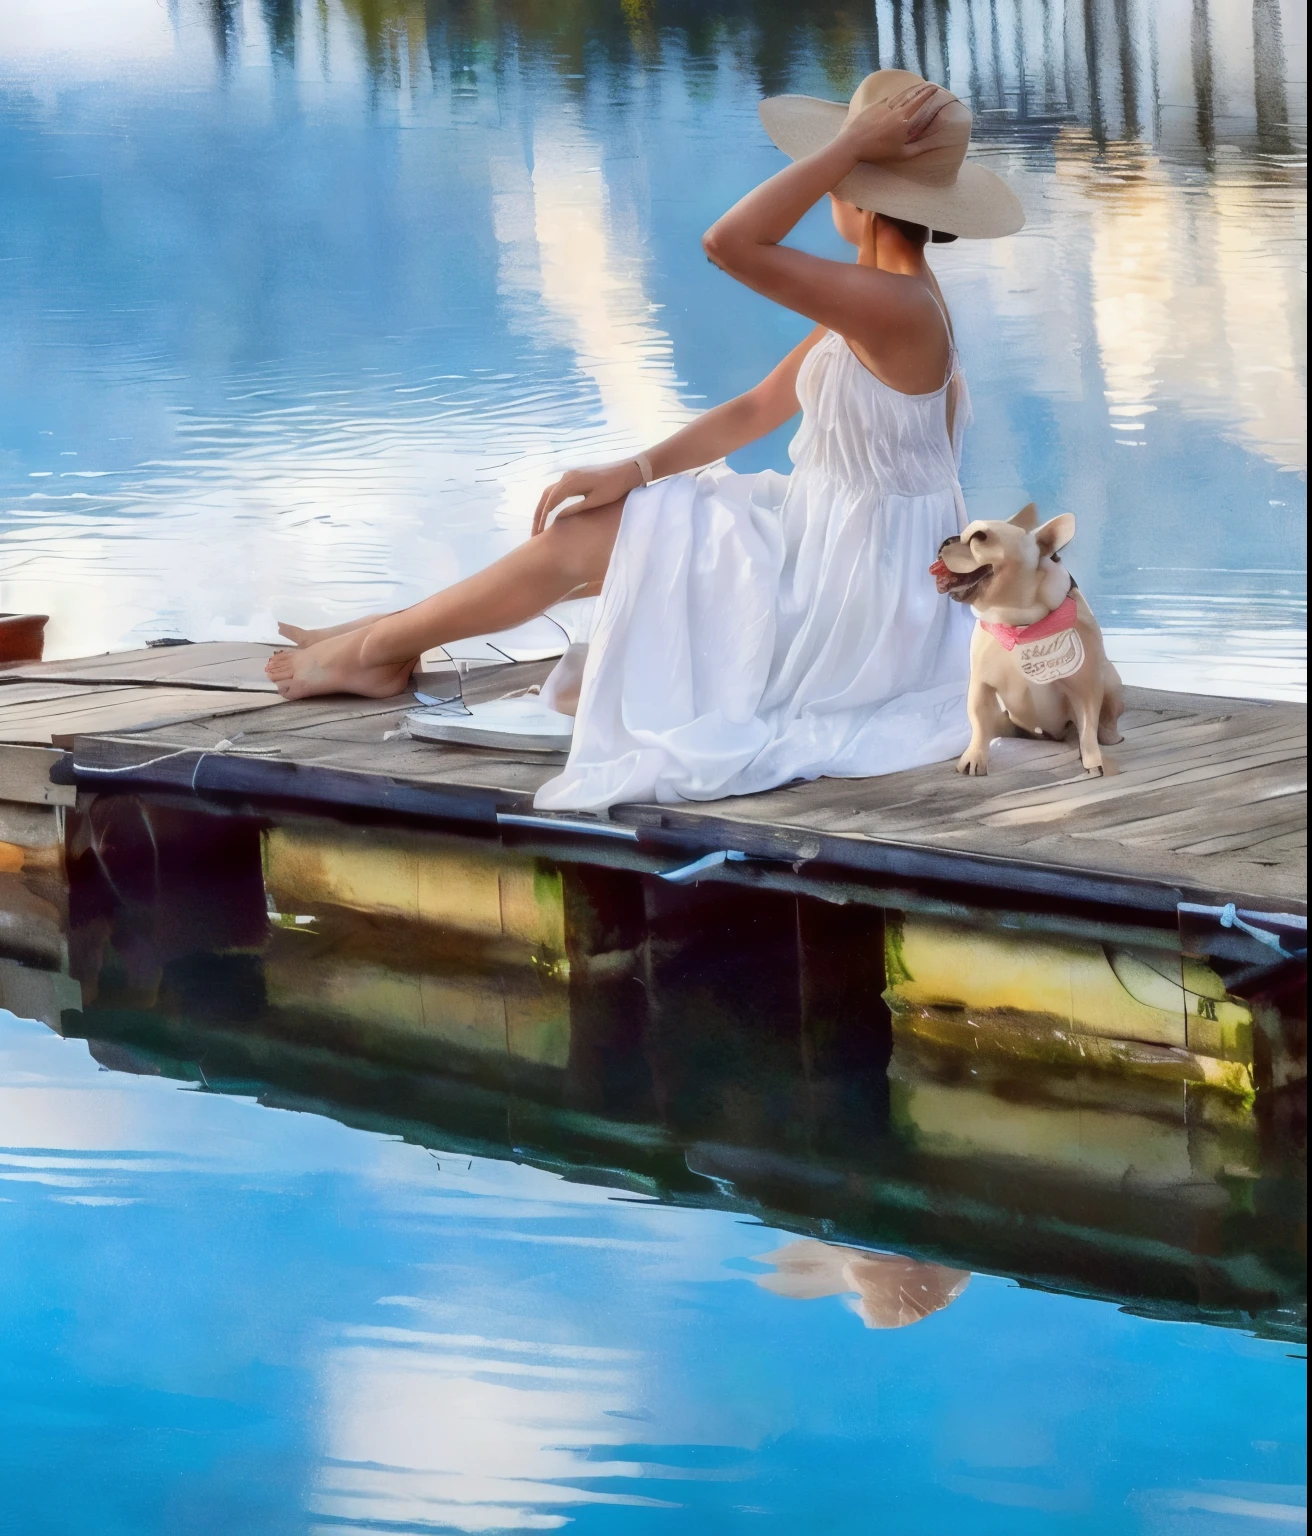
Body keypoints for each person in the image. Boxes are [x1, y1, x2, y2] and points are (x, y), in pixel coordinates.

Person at [266, 69, 1023, 812]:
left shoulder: (895, 305)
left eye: (831, 176)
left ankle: (376, 654)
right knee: (633, 526)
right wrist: (632, 468)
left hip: (857, 588)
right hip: (841, 541)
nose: (823, 185)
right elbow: (756, 408)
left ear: (852, 191)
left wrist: (848, 144)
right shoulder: (882, 295)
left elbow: (729, 243)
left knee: (609, 540)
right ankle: (382, 637)